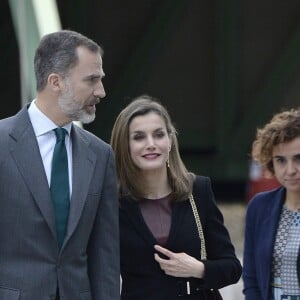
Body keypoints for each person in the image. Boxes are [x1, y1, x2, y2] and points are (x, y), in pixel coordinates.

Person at [0, 30, 119, 299]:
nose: (101, 91)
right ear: (56, 82)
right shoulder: (2, 145)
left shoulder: (101, 156)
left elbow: (105, 257)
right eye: (92, 80)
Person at [110, 95, 242, 300]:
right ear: (124, 146)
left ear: (170, 140)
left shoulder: (198, 190)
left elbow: (232, 268)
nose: (151, 144)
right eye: (139, 137)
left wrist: (198, 269)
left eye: (159, 134)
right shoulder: (113, 202)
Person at [243, 108, 300, 299]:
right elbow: (251, 278)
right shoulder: (259, 207)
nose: (290, 170)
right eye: (281, 160)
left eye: (298, 158)